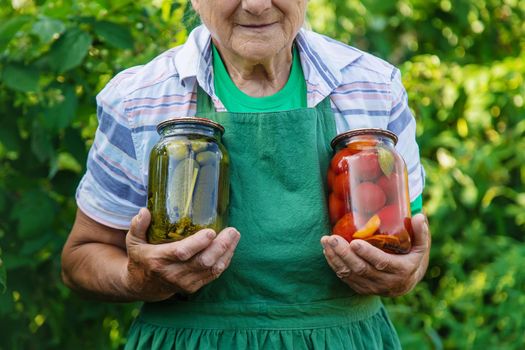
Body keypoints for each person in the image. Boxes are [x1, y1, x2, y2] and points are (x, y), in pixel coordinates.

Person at [61, 0, 431, 348]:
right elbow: (81, 258)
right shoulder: (139, 98)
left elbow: (409, 246)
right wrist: (136, 279)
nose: (255, 5)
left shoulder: (374, 87)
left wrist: (405, 274)